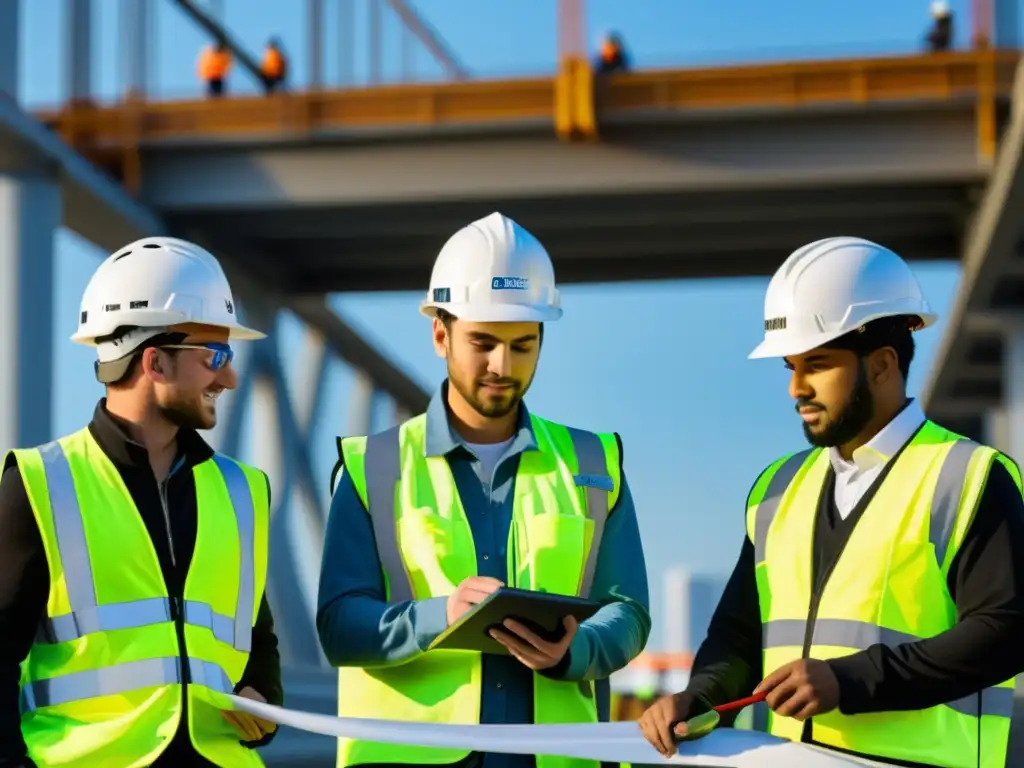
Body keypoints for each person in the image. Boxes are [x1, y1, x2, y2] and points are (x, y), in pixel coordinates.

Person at [638, 236, 1024, 767]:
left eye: (817, 365)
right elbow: (739, 633)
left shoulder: (968, 477)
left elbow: (1004, 631)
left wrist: (850, 679)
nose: (797, 387)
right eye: (791, 368)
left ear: (883, 365)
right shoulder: (778, 489)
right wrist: (700, 697)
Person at [317, 211, 651, 768]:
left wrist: (576, 651)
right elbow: (339, 626)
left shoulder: (595, 463)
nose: (502, 365)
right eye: (483, 342)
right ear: (439, 333)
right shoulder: (369, 466)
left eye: (522, 345)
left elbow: (629, 612)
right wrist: (438, 616)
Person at [0, 237, 283, 767]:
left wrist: (263, 701)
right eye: (214, 356)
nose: (229, 377)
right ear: (155, 362)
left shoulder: (244, 491)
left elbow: (257, 644)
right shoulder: (40, 485)